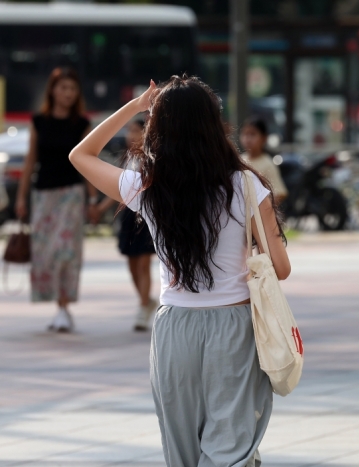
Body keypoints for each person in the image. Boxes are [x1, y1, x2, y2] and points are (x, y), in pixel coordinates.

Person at [69, 75, 291, 466]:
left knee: (182, 449)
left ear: (158, 129)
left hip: (175, 329)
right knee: (231, 446)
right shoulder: (245, 185)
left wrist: (136, 106)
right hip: (236, 327)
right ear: (213, 125)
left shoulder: (147, 187)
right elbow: (281, 269)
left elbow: (80, 156)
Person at [15, 67, 98, 333]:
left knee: (67, 252)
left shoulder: (81, 124)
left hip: (72, 195)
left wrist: (93, 199)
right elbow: (30, 161)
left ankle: (64, 307)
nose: (68, 93)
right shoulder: (39, 121)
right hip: (43, 195)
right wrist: (21, 198)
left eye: (72, 89)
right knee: (45, 253)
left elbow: (90, 163)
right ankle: (57, 306)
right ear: (52, 90)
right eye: (63, 88)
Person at [93, 119, 157, 331]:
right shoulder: (125, 160)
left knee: (144, 263)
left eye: (136, 131)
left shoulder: (152, 160)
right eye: (129, 131)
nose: (131, 135)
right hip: (128, 217)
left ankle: (142, 308)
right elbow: (118, 190)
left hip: (146, 216)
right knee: (131, 264)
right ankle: (146, 301)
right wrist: (100, 209)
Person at [240, 116, 288, 204]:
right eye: (245, 134)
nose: (248, 139)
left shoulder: (267, 163)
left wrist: (262, 209)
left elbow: (280, 193)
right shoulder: (239, 160)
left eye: (253, 134)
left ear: (264, 138)